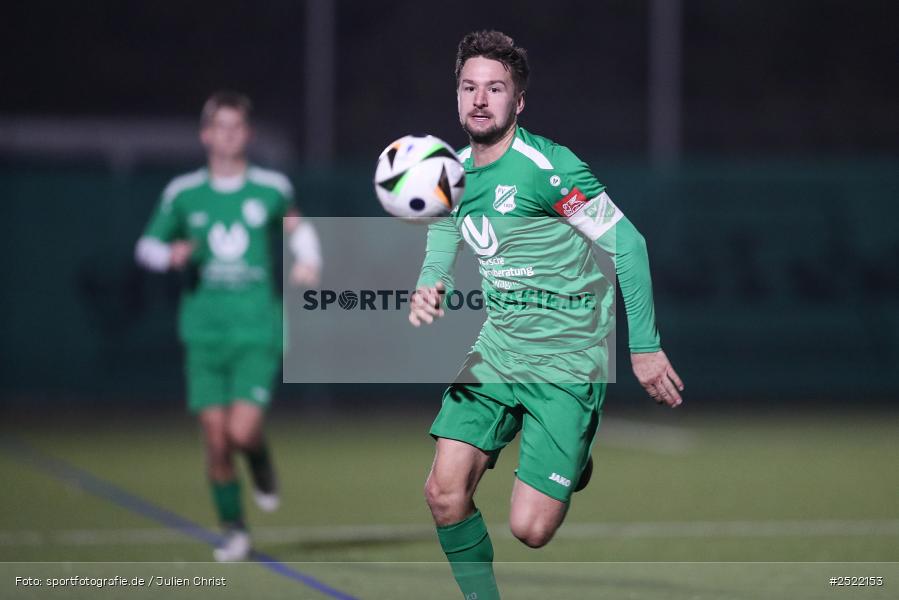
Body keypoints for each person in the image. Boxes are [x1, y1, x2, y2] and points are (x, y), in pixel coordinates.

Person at [409, 31, 684, 599]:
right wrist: (429, 285)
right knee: (442, 492)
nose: (480, 99)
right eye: (469, 87)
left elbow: (627, 245)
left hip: (567, 355)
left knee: (530, 530)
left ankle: (574, 455)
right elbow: (442, 239)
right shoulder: (450, 174)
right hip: (498, 349)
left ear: (518, 102)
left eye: (495, 88)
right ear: (456, 97)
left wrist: (646, 347)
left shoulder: (548, 168)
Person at [135, 91, 321, 562]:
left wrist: (309, 260)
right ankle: (235, 529)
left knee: (241, 433)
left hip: (257, 330)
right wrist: (169, 255)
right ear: (205, 134)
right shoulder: (182, 193)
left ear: (248, 134)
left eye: (237, 126)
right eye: (220, 126)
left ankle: (260, 462)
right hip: (203, 333)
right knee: (216, 440)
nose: (228, 134)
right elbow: (146, 247)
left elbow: (299, 228)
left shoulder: (271, 187)